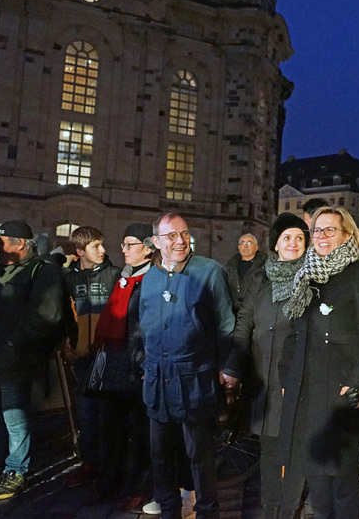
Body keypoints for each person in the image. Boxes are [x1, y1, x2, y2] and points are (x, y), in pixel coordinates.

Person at [277, 206, 359, 519]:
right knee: (317, 482)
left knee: (343, 485)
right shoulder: (306, 275)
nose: (321, 236)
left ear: (347, 234)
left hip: (340, 395)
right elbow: (294, 334)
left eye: (329, 230)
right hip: (307, 392)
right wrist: (287, 378)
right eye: (317, 230)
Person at [0, 220, 66, 500]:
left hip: (14, 359)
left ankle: (16, 470)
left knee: (14, 416)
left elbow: (48, 314)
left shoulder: (43, 271)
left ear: (20, 243)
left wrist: (15, 339)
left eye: (2, 240)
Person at [140, 211, 235, 519]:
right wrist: (142, 360)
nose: (180, 241)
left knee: (199, 456)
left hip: (193, 380)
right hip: (157, 380)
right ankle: (169, 510)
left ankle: (207, 512)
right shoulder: (149, 276)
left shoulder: (210, 271)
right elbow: (140, 324)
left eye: (184, 234)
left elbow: (226, 325)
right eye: (171, 235)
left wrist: (227, 367)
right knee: (160, 455)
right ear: (156, 241)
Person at [223, 213, 310, 519]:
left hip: (294, 380)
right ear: (276, 243)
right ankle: (269, 508)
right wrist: (233, 365)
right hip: (262, 377)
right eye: (287, 237)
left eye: (300, 238)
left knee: (295, 450)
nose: (293, 243)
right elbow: (245, 322)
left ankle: (288, 510)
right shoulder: (261, 277)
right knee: (269, 448)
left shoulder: (312, 279)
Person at [86, 223, 156, 510]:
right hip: (114, 363)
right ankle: (108, 481)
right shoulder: (123, 277)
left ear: (148, 248)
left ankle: (139, 486)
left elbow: (151, 327)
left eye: (130, 244)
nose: (124, 249)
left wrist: (144, 362)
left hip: (139, 368)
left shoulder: (154, 280)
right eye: (124, 244)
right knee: (110, 428)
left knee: (140, 432)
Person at [61, 226, 120, 490]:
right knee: (86, 416)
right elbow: (63, 315)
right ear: (79, 251)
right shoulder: (68, 279)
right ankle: (90, 463)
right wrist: (66, 345)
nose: (103, 250)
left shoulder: (115, 275)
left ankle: (111, 469)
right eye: (96, 246)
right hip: (81, 359)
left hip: (108, 358)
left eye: (102, 244)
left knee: (108, 417)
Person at [222, 233, 268, 312]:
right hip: (233, 312)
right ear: (239, 247)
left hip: (254, 311)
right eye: (243, 243)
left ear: (256, 247)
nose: (246, 246)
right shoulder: (230, 266)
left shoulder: (265, 267)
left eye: (249, 243)